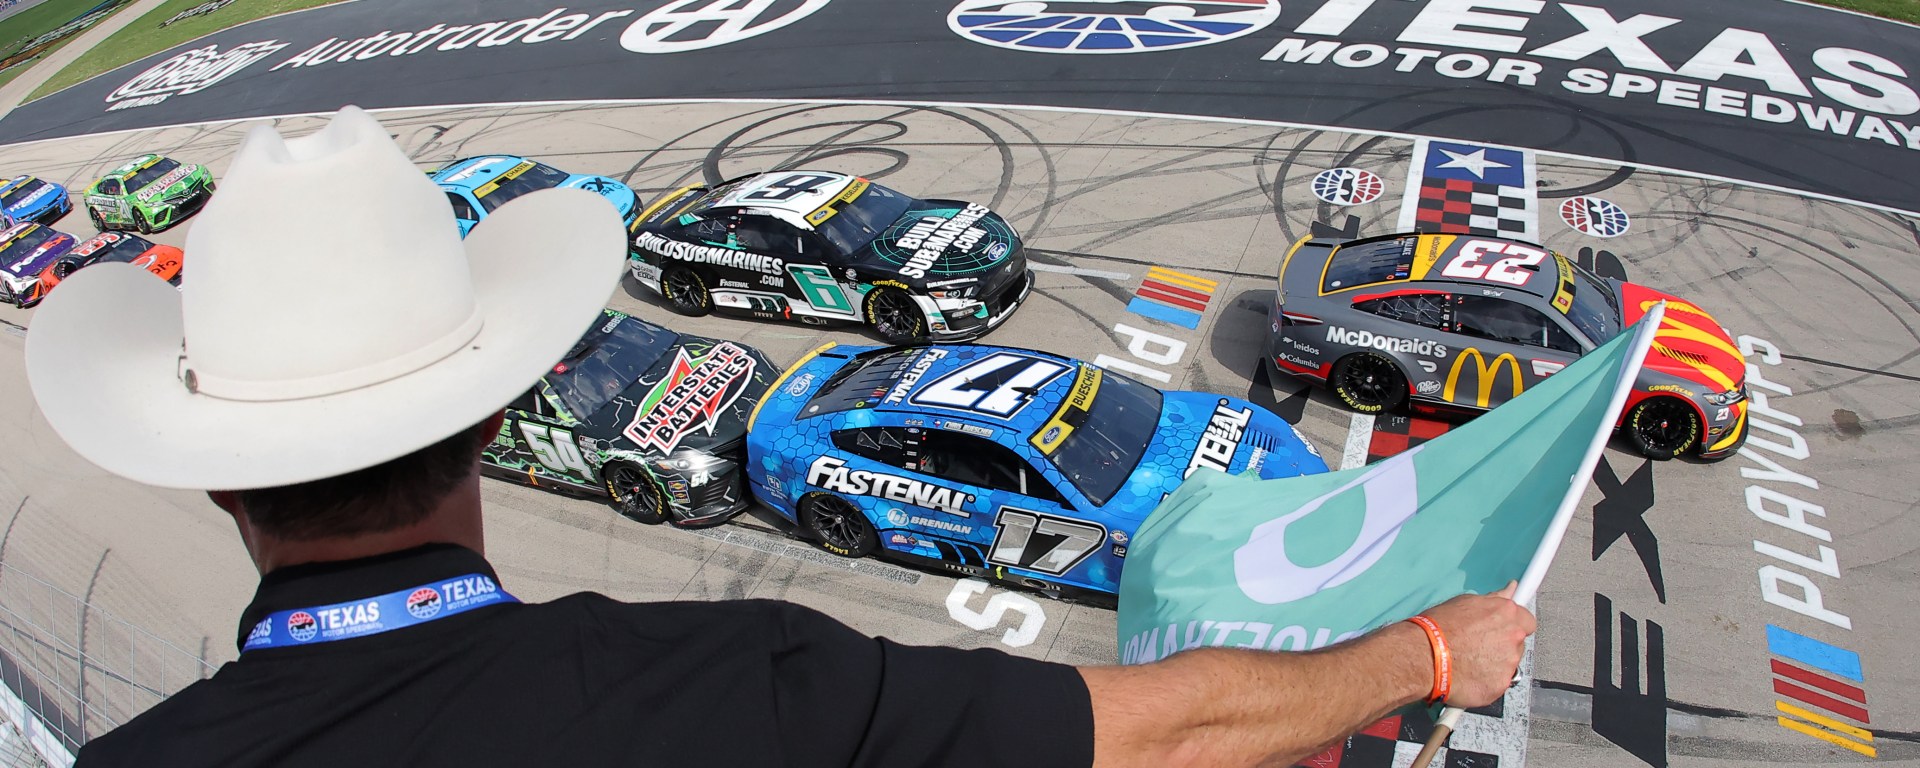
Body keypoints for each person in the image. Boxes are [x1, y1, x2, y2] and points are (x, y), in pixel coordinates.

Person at [27, 107, 1535, 767]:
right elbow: (1165, 735)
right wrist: (1423, 653)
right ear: (491, 412)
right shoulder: (728, 683)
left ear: (211, 475)